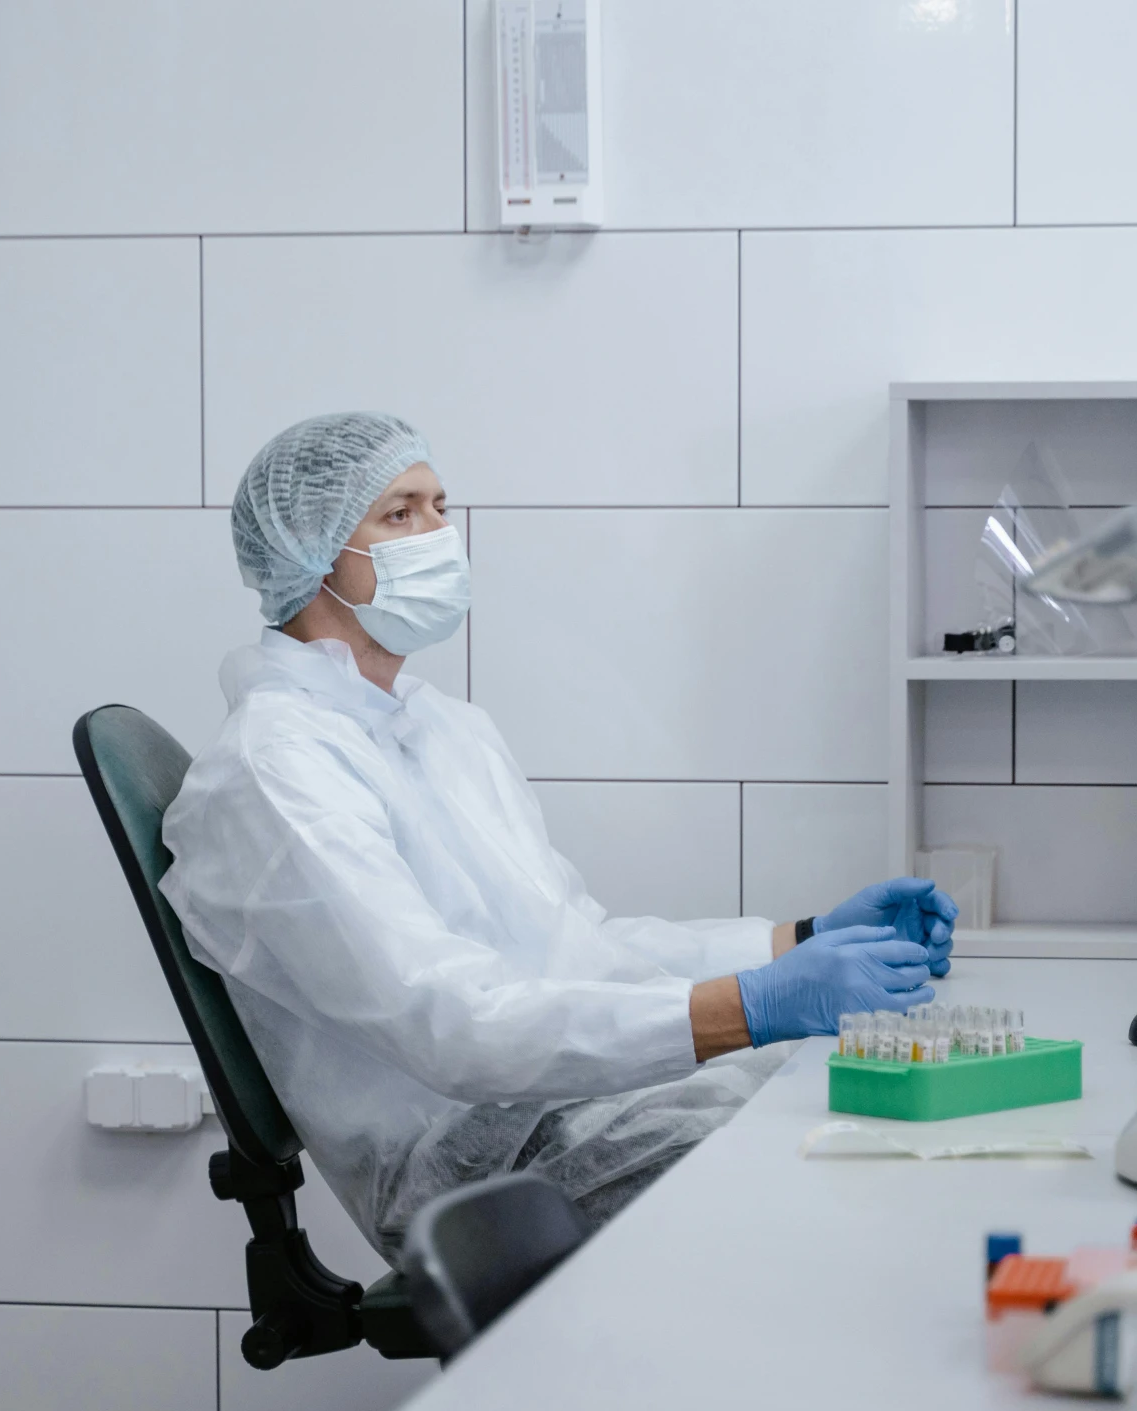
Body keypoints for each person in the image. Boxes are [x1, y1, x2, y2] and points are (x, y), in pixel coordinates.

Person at [161, 413, 957, 1259]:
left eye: (441, 506)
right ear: (313, 556)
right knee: (860, 1185)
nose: (441, 534)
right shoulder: (273, 770)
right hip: (474, 1177)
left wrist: (797, 940)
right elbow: (454, 1025)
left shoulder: (437, 729)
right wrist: (754, 1009)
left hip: (568, 1114)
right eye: (401, 514)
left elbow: (577, 943)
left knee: (882, 1125)